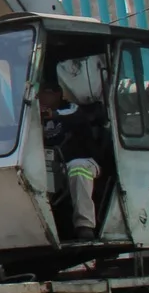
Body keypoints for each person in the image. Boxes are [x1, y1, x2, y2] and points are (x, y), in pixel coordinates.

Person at [40, 81, 106, 239]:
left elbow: (74, 116)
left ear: (57, 94)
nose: (41, 98)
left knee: (78, 168)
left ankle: (85, 226)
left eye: (45, 94)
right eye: (40, 94)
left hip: (85, 161)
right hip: (53, 166)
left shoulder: (72, 109)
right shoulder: (34, 115)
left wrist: (53, 114)